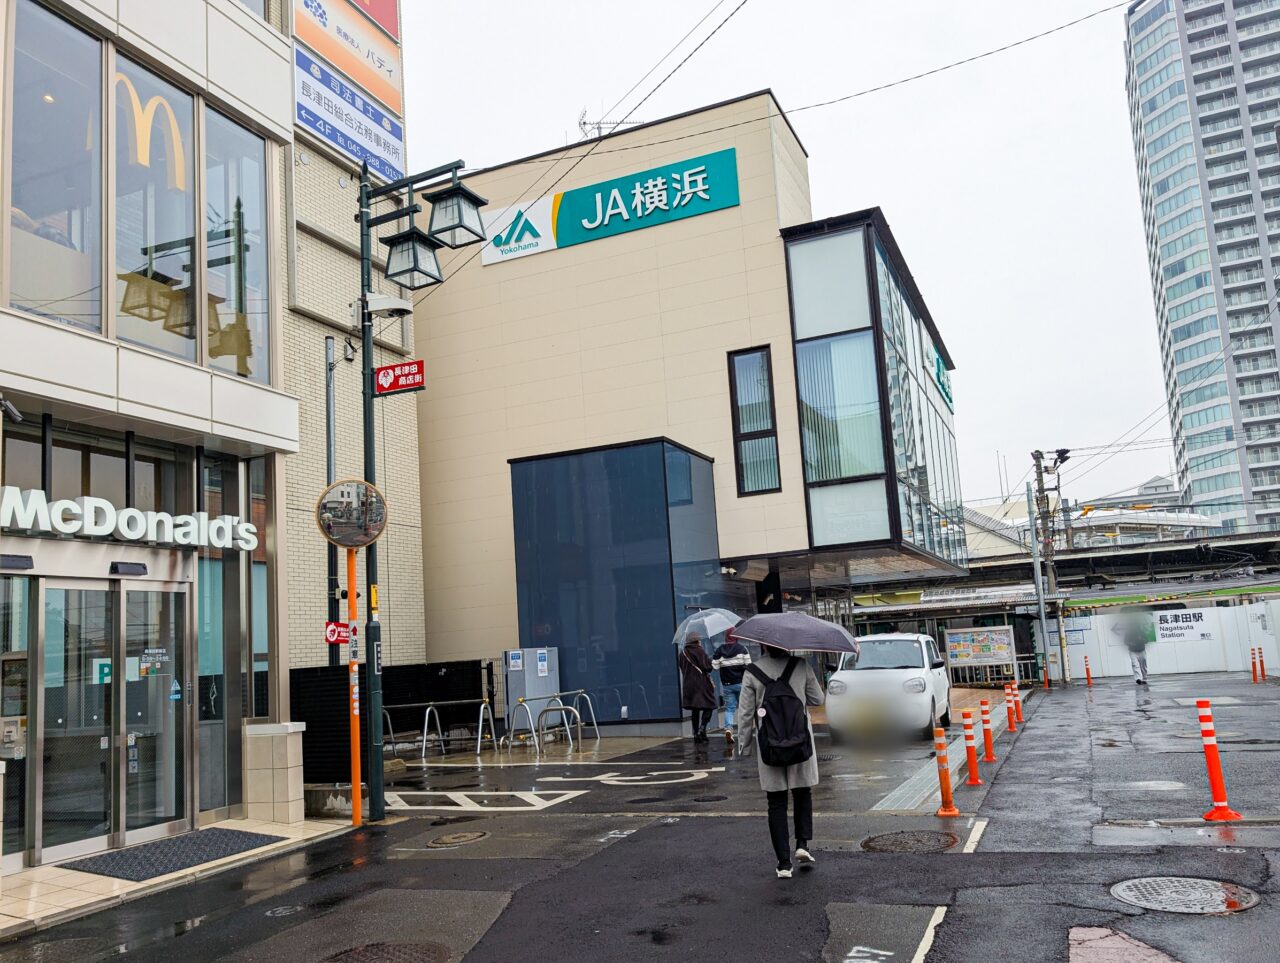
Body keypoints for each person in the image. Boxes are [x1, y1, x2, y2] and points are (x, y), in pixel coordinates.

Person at [736, 644, 825, 879]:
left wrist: (744, 746)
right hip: (800, 742)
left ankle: (784, 863)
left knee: (776, 801)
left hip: (770, 744)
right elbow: (818, 698)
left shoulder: (752, 672)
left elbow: (745, 714)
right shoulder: (801, 665)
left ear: (763, 645)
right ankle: (803, 844)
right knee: (802, 791)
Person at [712, 633, 751, 744]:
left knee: (729, 709)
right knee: (744, 709)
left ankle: (728, 728)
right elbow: (749, 665)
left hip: (727, 685)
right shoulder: (742, 649)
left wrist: (718, 658)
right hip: (740, 683)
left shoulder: (720, 650)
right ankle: (744, 732)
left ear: (726, 637)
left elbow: (714, 666)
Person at [679, 632, 716, 743]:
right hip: (701, 684)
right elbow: (708, 667)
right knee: (710, 705)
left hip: (688, 685)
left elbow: (682, 667)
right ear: (697, 641)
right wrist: (709, 660)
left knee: (695, 709)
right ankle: (702, 728)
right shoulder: (699, 651)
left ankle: (696, 734)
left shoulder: (682, 653)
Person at [1113, 608, 1151, 685]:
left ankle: (1144, 678)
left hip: (1142, 650)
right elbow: (1125, 642)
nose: (1134, 627)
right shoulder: (1128, 633)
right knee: (1135, 664)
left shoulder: (1141, 632)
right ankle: (1138, 678)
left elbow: (1146, 640)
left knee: (1143, 665)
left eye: (1135, 625)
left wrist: (1142, 640)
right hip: (1133, 651)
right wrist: (1131, 644)